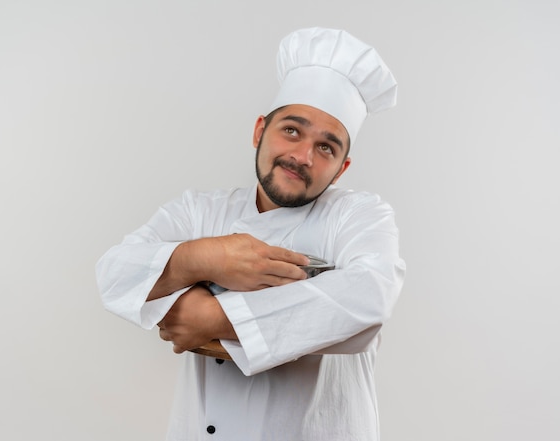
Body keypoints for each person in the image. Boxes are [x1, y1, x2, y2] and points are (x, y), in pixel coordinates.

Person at [96, 27, 405, 441]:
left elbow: (370, 298)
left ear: (342, 168)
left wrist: (214, 318)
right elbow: (114, 274)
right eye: (292, 131)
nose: (302, 157)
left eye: (326, 147)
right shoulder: (198, 211)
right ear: (259, 130)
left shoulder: (357, 216)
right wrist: (207, 259)